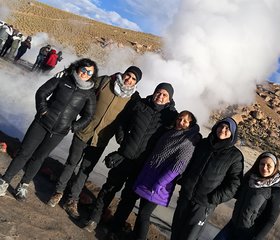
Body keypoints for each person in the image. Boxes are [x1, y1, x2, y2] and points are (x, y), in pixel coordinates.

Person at [47, 66, 143, 219]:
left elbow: (131, 120)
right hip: (83, 130)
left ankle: (72, 201)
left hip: (101, 139)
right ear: (123, 73)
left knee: (85, 170)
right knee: (71, 163)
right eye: (128, 75)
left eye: (133, 79)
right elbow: (85, 90)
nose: (129, 80)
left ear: (136, 83)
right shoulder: (105, 81)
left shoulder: (133, 98)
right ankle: (58, 192)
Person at [83, 82, 178, 233]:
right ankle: (94, 218)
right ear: (154, 92)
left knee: (129, 198)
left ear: (169, 98)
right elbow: (123, 122)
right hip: (124, 157)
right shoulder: (140, 105)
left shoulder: (172, 117)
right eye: (158, 92)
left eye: (164, 95)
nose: (160, 96)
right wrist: (122, 139)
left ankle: (113, 228)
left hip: (144, 165)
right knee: (109, 188)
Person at [0, 58, 98, 200]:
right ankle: (5, 181)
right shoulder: (63, 79)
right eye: (83, 69)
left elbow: (89, 115)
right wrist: (43, 110)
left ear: (92, 75)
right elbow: (41, 92)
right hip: (41, 123)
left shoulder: (89, 94)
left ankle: (23, 185)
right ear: (77, 68)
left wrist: (73, 126)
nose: (85, 73)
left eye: (89, 72)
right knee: (24, 152)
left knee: (39, 158)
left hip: (58, 132)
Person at [119, 111, 200, 240]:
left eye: (185, 121)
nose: (181, 122)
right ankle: (134, 235)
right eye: (179, 119)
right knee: (141, 212)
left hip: (160, 184)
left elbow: (178, 167)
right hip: (148, 176)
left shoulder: (189, 141)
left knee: (144, 214)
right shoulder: (171, 132)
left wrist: (159, 183)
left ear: (191, 124)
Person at [171, 117, 244, 240]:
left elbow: (234, 184)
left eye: (227, 128)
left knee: (190, 236)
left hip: (204, 204)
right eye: (221, 126)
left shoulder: (235, 156)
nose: (223, 130)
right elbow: (188, 162)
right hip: (186, 196)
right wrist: (183, 181)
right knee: (176, 231)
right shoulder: (203, 144)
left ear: (232, 133)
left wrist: (214, 198)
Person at [214, 152, 280, 240]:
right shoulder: (248, 180)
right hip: (232, 226)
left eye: (269, 165)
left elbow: (270, 220)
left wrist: (256, 238)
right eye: (262, 164)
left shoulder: (276, 192)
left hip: (247, 234)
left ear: (275, 167)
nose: (265, 168)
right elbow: (234, 193)